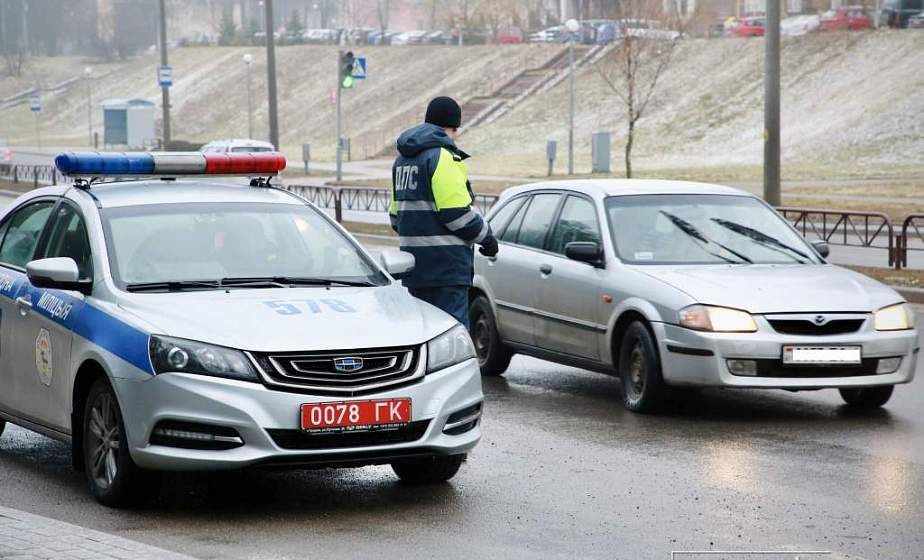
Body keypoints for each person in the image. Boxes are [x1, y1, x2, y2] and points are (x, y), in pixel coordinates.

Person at [389, 96, 498, 328]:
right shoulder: (443, 157)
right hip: (446, 270)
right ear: (453, 127)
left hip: (414, 270)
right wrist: (486, 237)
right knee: (452, 337)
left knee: (424, 335)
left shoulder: (402, 161)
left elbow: (396, 218)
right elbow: (456, 215)